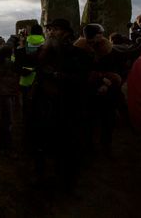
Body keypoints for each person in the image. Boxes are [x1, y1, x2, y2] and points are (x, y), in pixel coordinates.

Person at [32, 19, 91, 189]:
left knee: (67, 145)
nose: (50, 32)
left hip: (67, 106)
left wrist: (59, 76)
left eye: (55, 29)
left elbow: (82, 79)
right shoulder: (43, 53)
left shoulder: (77, 54)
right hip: (44, 105)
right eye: (49, 29)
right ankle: (42, 175)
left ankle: (68, 180)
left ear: (66, 32)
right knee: (42, 143)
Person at [74, 24, 122, 155]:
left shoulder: (107, 49)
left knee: (108, 119)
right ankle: (88, 146)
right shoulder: (79, 49)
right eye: (99, 33)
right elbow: (82, 71)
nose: (102, 35)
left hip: (107, 89)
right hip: (88, 90)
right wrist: (100, 79)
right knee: (88, 119)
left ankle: (106, 145)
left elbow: (114, 69)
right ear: (91, 35)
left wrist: (107, 83)